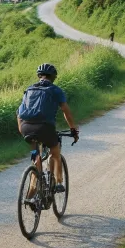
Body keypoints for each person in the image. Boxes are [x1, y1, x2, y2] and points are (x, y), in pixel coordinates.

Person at [17, 63, 79, 196]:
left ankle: (33, 187)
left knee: (36, 154)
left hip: (26, 127)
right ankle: (58, 182)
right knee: (55, 151)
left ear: (39, 76)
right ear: (53, 77)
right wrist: (73, 129)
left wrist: (21, 129)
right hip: (45, 128)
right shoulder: (56, 90)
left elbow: (19, 113)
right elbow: (66, 112)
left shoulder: (29, 89)